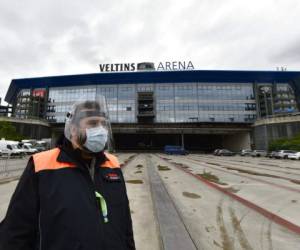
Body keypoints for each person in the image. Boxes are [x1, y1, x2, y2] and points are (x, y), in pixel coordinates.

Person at [0, 96, 135, 250]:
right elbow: (15, 233)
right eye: (92, 124)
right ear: (73, 129)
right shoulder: (41, 166)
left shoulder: (113, 165)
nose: (100, 130)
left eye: (102, 124)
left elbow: (125, 225)